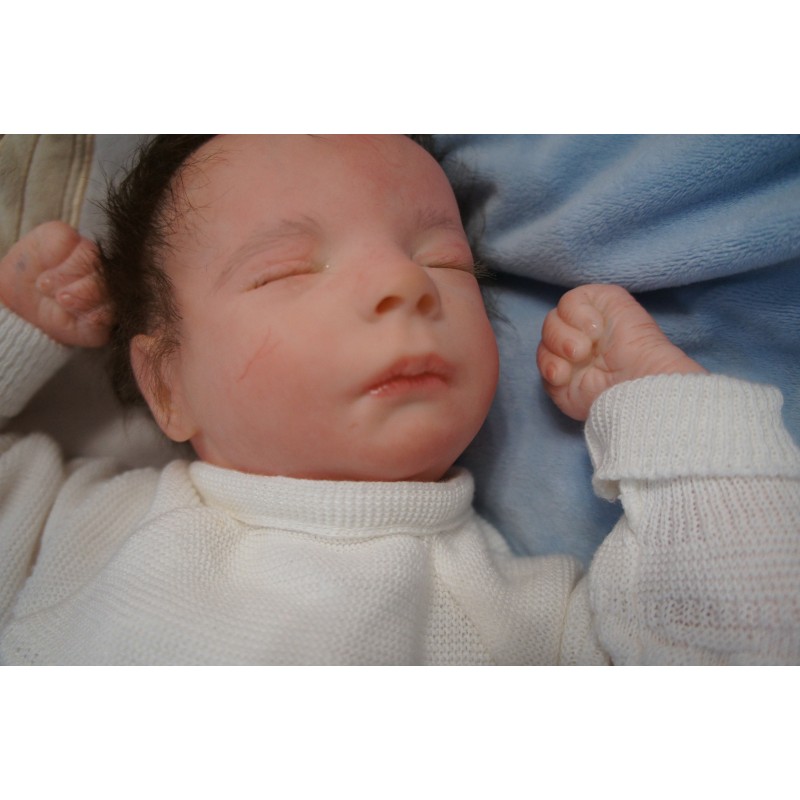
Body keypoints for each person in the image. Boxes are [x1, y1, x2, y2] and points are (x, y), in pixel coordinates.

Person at [0, 134, 798, 665]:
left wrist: (666, 411)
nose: (403, 282)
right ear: (167, 384)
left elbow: (745, 654)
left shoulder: (532, 618)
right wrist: (18, 334)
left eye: (442, 259)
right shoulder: (80, 531)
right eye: (288, 270)